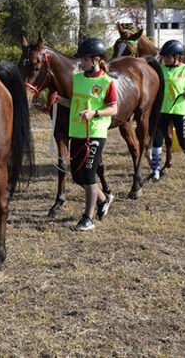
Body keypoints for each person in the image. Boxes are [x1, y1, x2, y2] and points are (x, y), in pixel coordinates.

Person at [68, 38, 119, 232]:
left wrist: (95, 113)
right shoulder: (78, 78)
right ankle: (105, 199)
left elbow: (113, 109)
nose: (81, 62)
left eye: (85, 59)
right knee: (77, 176)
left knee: (89, 175)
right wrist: (56, 102)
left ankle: (87, 219)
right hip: (77, 132)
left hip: (95, 133)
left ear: (96, 60)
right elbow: (75, 103)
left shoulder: (106, 82)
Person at [150, 40, 185, 181]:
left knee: (183, 143)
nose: (165, 59)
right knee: (156, 141)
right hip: (163, 111)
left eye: (168, 57)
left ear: (177, 56)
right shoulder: (160, 69)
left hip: (180, 111)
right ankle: (155, 172)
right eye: (164, 57)